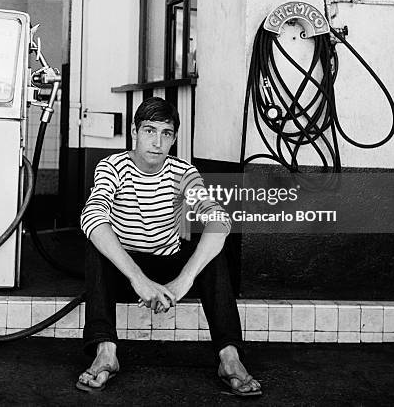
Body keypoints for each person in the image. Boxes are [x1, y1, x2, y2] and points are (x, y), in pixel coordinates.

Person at [76, 96, 262, 397]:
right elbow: (93, 215)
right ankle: (106, 352)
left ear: (173, 139)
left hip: (167, 262)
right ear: (134, 133)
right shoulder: (112, 167)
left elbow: (218, 218)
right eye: (149, 131)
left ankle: (230, 357)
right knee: (96, 247)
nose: (157, 142)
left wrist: (182, 282)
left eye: (166, 134)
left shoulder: (183, 172)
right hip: (125, 270)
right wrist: (139, 280)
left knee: (214, 254)